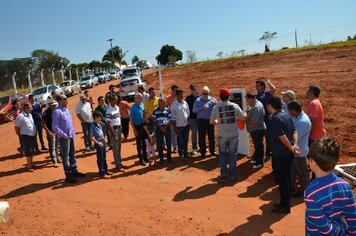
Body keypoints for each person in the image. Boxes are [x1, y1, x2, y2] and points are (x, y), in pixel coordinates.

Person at [305, 137, 356, 235]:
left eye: (309, 158)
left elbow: (325, 228)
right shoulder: (345, 185)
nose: (307, 161)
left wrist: (341, 230)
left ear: (314, 163)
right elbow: (352, 215)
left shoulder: (310, 192)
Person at [267, 96, 299, 214]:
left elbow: (282, 136)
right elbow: (295, 131)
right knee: (285, 178)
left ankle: (285, 205)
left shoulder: (275, 119)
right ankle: (284, 202)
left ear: (270, 106)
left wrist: (291, 148)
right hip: (287, 154)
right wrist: (294, 146)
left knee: (282, 179)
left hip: (280, 155)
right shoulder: (286, 115)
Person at [210, 88, 246, 182]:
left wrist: (218, 121)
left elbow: (211, 121)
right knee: (232, 155)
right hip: (233, 134)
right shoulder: (235, 105)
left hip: (222, 135)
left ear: (220, 97)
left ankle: (223, 175)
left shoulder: (216, 107)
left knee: (222, 154)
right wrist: (247, 112)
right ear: (229, 96)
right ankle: (233, 176)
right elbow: (242, 117)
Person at [52, 94, 86, 184]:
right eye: (64, 99)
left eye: (66, 98)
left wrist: (72, 133)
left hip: (71, 136)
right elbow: (55, 127)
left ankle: (74, 171)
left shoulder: (67, 110)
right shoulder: (57, 111)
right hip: (64, 138)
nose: (67, 100)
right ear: (59, 101)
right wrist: (63, 135)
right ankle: (68, 174)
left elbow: (70, 123)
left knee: (72, 154)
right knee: (65, 156)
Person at [287, 101, 311, 198]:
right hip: (295, 151)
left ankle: (303, 191)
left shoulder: (302, 122)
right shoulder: (298, 117)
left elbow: (296, 137)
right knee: (293, 169)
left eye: (289, 110)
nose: (288, 112)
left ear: (294, 111)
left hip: (299, 152)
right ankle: (292, 187)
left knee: (303, 172)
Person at [193, 86, 217, 158]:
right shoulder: (198, 100)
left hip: (210, 120)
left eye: (206, 93)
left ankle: (212, 151)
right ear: (201, 93)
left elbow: (216, 110)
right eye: (204, 93)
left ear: (208, 93)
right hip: (201, 121)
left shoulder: (213, 100)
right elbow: (194, 110)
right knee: (201, 137)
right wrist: (201, 108)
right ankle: (203, 152)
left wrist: (215, 118)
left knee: (211, 136)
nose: (205, 95)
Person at [255, 79, 276, 160]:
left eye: (258, 86)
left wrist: (269, 83)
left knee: (268, 137)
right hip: (259, 120)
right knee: (258, 137)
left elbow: (274, 89)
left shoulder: (267, 93)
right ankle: (257, 153)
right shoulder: (255, 96)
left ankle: (268, 153)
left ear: (263, 86)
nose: (256, 88)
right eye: (256, 86)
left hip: (267, 119)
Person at [245, 92, 266, 170]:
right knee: (257, 146)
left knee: (259, 146)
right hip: (257, 129)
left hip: (257, 130)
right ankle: (257, 159)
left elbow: (254, 121)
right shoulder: (255, 104)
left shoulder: (256, 107)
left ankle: (260, 163)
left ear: (251, 98)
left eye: (247, 99)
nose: (247, 101)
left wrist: (244, 121)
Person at [90, 111, 113, 178]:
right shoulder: (92, 126)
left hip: (102, 142)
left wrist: (104, 140)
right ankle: (102, 173)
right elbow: (91, 137)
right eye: (100, 117)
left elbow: (102, 133)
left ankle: (106, 170)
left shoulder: (99, 124)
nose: (101, 119)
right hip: (98, 143)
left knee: (104, 157)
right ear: (96, 117)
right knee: (100, 158)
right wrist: (98, 143)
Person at [15, 103, 37, 171]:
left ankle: (31, 163)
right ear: (26, 108)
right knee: (28, 151)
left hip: (32, 136)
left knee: (32, 150)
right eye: (30, 107)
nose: (31, 109)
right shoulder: (21, 116)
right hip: (26, 137)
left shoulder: (30, 115)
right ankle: (29, 166)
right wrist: (20, 135)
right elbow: (17, 127)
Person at [153, 98, 175, 164]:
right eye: (162, 103)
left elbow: (171, 120)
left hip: (167, 128)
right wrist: (161, 128)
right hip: (159, 128)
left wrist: (165, 128)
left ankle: (169, 157)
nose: (163, 104)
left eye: (164, 103)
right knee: (159, 144)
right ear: (159, 104)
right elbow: (154, 121)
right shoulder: (155, 110)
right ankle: (161, 159)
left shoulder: (168, 110)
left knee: (168, 143)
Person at [171, 89, 190, 160]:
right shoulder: (174, 105)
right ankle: (181, 153)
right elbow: (173, 118)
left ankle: (185, 153)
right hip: (178, 126)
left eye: (182, 94)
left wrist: (188, 123)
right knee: (180, 140)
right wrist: (175, 128)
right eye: (180, 94)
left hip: (186, 125)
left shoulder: (185, 103)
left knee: (186, 140)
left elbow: (188, 113)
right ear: (177, 95)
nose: (182, 95)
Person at [130, 93, 148, 165]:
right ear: (136, 99)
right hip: (137, 127)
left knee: (144, 143)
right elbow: (131, 120)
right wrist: (134, 130)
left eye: (141, 97)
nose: (141, 98)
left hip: (144, 126)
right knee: (139, 143)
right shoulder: (133, 107)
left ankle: (145, 157)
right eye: (140, 97)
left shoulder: (142, 105)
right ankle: (141, 159)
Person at [106, 94, 123, 170]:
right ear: (112, 100)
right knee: (115, 149)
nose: (117, 100)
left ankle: (120, 163)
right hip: (114, 130)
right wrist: (114, 134)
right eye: (115, 99)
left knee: (119, 147)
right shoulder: (109, 110)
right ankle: (118, 166)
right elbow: (109, 124)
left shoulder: (117, 108)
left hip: (119, 128)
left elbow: (118, 119)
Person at [42, 99, 60, 167]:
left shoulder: (56, 111)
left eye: (55, 105)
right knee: (52, 147)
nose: (55, 106)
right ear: (49, 105)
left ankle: (58, 158)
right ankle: (54, 161)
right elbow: (43, 123)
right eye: (53, 105)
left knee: (57, 145)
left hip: (56, 130)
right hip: (50, 131)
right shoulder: (45, 113)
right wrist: (48, 131)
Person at [186, 83, 199, 156]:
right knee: (194, 134)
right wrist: (189, 118)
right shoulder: (188, 98)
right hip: (193, 118)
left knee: (202, 133)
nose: (194, 89)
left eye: (195, 88)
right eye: (192, 88)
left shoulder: (201, 97)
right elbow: (188, 109)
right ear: (191, 89)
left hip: (200, 118)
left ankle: (202, 146)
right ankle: (194, 148)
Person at [166, 84, 179, 153]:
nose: (176, 91)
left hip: (179, 118)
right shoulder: (168, 98)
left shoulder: (179, 97)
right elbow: (166, 107)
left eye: (177, 90)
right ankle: (174, 147)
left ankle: (179, 145)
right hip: (171, 118)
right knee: (172, 133)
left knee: (179, 132)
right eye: (175, 90)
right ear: (172, 90)